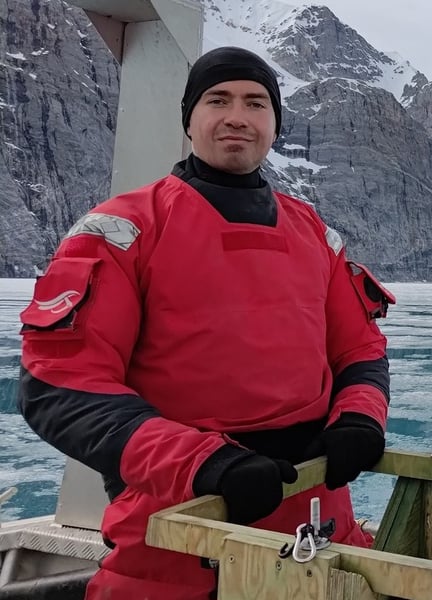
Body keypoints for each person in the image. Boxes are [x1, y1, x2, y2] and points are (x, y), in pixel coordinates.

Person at [16, 46, 395, 599]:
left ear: (273, 125)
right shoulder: (122, 229)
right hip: (180, 528)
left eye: (256, 103)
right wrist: (206, 462)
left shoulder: (313, 231)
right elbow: (60, 383)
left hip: (316, 519)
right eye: (218, 99)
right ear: (189, 119)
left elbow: (360, 348)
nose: (237, 115)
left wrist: (361, 421)